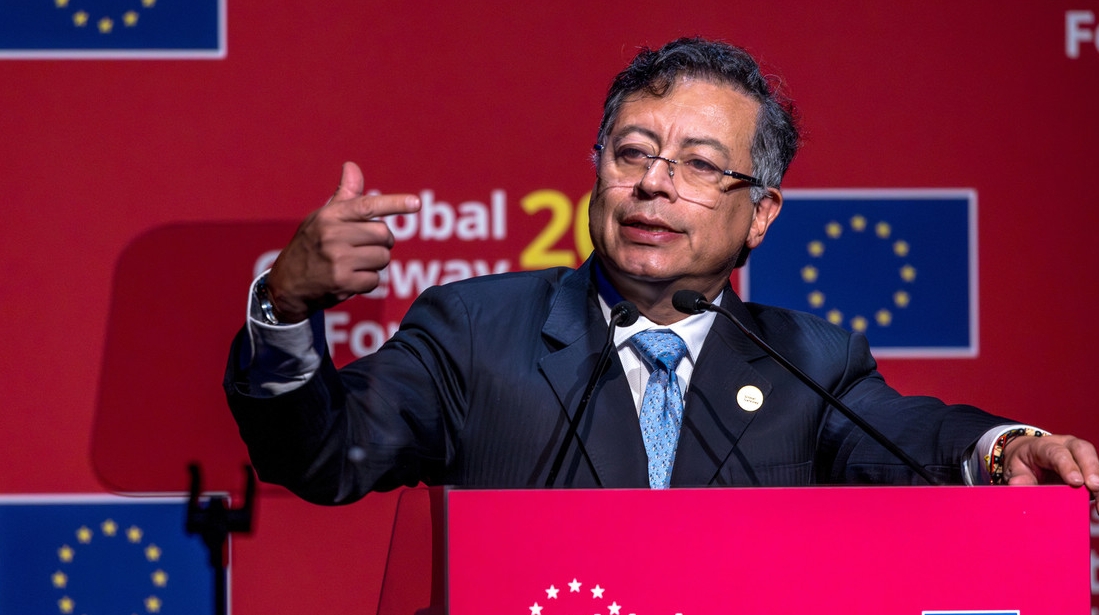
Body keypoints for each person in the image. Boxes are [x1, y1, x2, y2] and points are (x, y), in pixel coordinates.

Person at [224, 37, 1099, 509]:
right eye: (632, 152)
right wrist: (286, 302)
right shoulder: (473, 331)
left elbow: (906, 433)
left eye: (696, 164)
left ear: (760, 211)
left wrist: (1005, 449)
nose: (651, 182)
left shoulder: (810, 361)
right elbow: (320, 458)